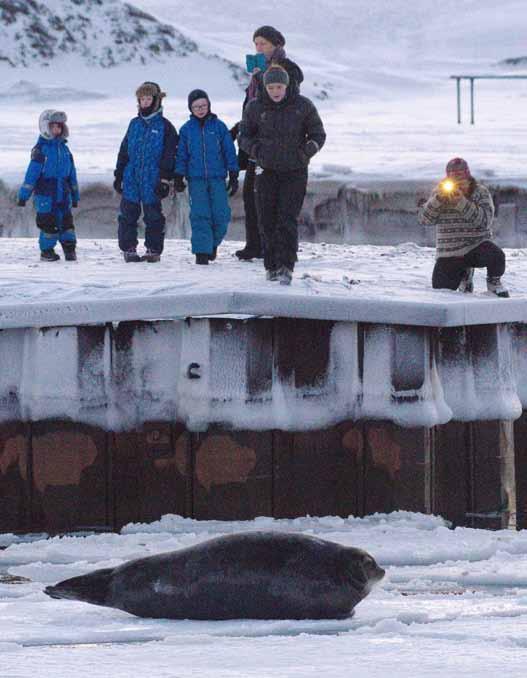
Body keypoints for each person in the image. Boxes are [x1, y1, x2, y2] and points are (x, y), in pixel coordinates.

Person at [239, 65, 326, 285]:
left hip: (294, 172)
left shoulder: (303, 106)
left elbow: (318, 134)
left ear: (286, 86)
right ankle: (271, 266)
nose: (275, 91)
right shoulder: (255, 107)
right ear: (265, 87)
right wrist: (257, 151)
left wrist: (305, 152)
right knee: (267, 220)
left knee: (287, 219)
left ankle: (287, 265)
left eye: (279, 87)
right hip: (265, 171)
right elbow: (244, 136)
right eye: (271, 87)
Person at [233, 25, 304, 261]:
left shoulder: (288, 68)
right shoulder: (256, 75)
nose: (258, 48)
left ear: (276, 45)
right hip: (257, 143)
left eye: (262, 43)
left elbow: (291, 94)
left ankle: (271, 247)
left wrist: (267, 74)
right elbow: (251, 108)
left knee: (274, 203)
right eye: (256, 44)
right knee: (251, 196)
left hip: (280, 145)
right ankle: (254, 244)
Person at [419, 158, 509, 298]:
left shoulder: (480, 191)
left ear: (467, 173)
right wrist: (437, 201)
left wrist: (462, 202)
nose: (457, 177)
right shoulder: (438, 192)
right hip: (449, 251)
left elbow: (485, 221)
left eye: (460, 173)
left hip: (475, 245)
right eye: (453, 174)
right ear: (447, 175)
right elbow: (425, 220)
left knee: (497, 256)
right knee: (441, 292)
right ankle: (464, 276)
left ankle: (494, 283)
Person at [114, 82, 178, 263]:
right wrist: (119, 175)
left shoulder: (165, 127)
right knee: (127, 215)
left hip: (153, 178)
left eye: (148, 99)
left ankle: (153, 249)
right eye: (142, 99)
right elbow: (124, 150)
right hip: (132, 177)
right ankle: (129, 249)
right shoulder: (134, 124)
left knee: (153, 216)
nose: (145, 102)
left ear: (156, 100)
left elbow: (170, 154)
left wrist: (165, 179)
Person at [174, 89, 239, 265]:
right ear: (191, 109)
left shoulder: (219, 127)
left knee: (221, 215)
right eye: (196, 107)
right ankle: (202, 252)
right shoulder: (186, 130)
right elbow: (181, 155)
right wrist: (179, 176)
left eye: (203, 105)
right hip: (196, 180)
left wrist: (234, 174)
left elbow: (229, 152)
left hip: (217, 178)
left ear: (209, 105)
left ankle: (212, 244)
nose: (200, 109)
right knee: (200, 215)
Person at [17, 110, 79, 261]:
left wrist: (75, 195)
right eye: (53, 126)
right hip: (46, 195)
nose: (57, 130)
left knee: (67, 223)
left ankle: (70, 249)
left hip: (64, 195)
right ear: (46, 127)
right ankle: (47, 251)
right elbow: (31, 175)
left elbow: (72, 174)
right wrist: (23, 195)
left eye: (59, 126)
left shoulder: (65, 149)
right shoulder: (40, 150)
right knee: (48, 225)